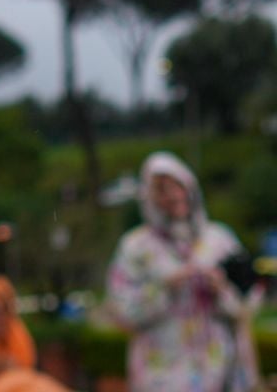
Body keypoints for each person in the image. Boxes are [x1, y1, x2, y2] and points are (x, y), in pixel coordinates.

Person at [106, 151, 261, 391]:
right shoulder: (135, 247)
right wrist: (164, 289)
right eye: (162, 190)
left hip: (219, 370)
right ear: (149, 196)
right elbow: (121, 311)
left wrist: (221, 289)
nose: (173, 196)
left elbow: (249, 301)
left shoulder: (220, 240)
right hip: (161, 375)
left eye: (178, 186)